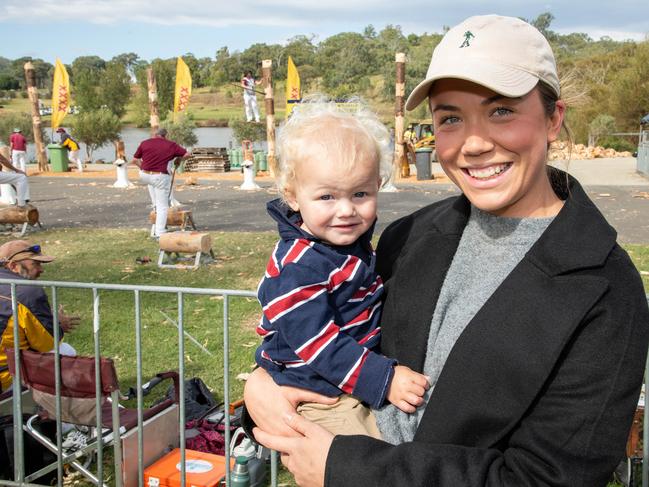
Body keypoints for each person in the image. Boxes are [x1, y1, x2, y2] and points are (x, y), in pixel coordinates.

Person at [243, 14, 649, 487]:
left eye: (501, 111)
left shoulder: (605, 292)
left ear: (553, 117)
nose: (474, 144)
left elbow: (549, 478)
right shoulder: (407, 236)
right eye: (451, 118)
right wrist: (261, 384)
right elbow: (323, 329)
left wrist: (348, 470)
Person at [254, 100, 430, 438]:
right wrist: (385, 378)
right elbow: (319, 345)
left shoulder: (344, 247)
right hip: (319, 393)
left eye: (360, 193)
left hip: (347, 379)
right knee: (360, 459)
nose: (347, 209)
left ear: (377, 186)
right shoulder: (298, 267)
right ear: (292, 196)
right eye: (326, 197)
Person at [0, 240, 79, 393]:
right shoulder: (27, 293)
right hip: (6, 377)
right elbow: (47, 344)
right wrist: (57, 324)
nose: (41, 270)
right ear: (13, 266)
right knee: (67, 351)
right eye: (35, 264)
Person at [131, 128, 190, 238]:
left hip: (145, 175)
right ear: (165, 135)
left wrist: (142, 168)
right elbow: (187, 154)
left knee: (155, 201)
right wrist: (179, 159)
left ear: (154, 135)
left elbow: (134, 160)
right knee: (163, 206)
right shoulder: (171, 145)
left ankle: (155, 225)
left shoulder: (144, 143)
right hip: (159, 177)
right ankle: (160, 233)